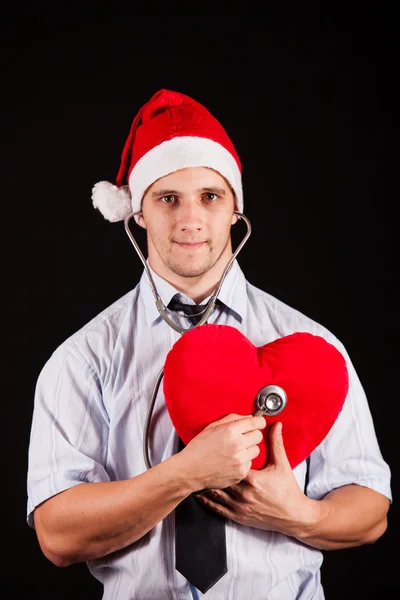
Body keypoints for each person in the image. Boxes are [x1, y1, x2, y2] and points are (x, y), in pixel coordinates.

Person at [27, 89, 392, 600]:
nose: (190, 219)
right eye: (168, 198)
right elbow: (57, 535)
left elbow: (371, 511)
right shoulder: (83, 360)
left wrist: (300, 515)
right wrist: (183, 474)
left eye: (210, 196)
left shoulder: (311, 345)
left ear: (235, 210)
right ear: (138, 214)